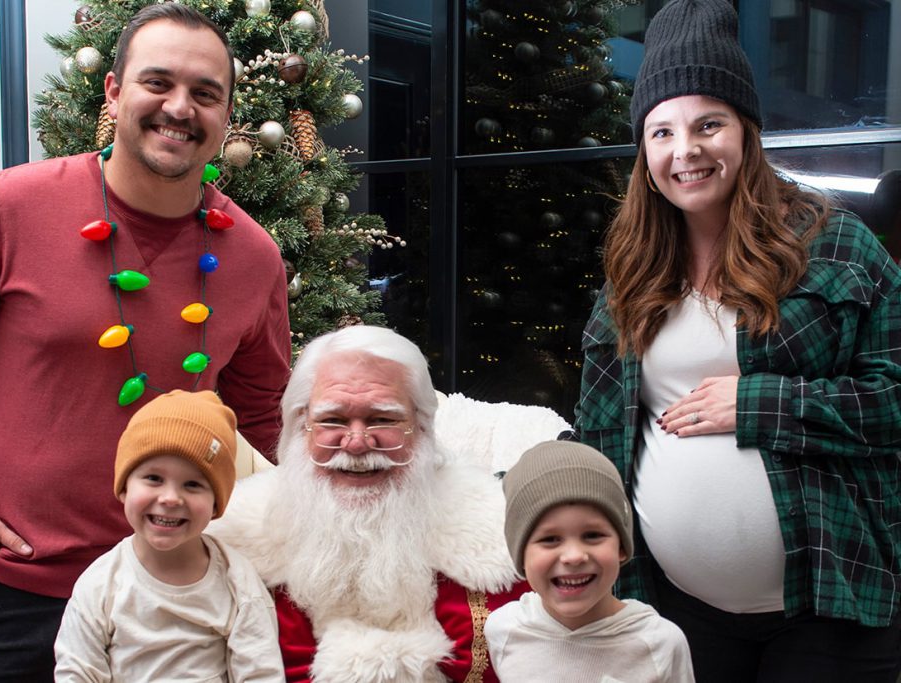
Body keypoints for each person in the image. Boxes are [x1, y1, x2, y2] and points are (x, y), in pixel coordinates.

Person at [0, 5, 290, 680]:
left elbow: (266, 414)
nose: (179, 108)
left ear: (225, 117)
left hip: (167, 596)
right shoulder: (6, 207)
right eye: (157, 82)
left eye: (205, 93)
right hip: (12, 592)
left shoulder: (252, 257)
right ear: (115, 91)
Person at [574, 0, 901, 680]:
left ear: (746, 130)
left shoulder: (836, 245)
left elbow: (895, 399)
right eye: (661, 132)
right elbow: (600, 427)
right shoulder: (631, 267)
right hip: (679, 610)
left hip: (831, 608)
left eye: (707, 124)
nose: (684, 151)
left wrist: (760, 403)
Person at [209, 324, 528, 682]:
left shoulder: (500, 539)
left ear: (422, 427)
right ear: (300, 427)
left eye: (382, 419)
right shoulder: (229, 546)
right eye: (332, 420)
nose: (357, 443)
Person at [54, 390, 284, 682]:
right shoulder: (102, 581)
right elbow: (77, 671)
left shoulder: (237, 580)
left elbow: (260, 672)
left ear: (217, 504)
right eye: (153, 478)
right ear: (124, 488)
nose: (171, 498)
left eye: (192, 484)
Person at [485, 440, 693, 682]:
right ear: (520, 554)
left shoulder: (661, 644)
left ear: (622, 547)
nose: (574, 556)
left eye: (593, 535)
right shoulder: (503, 629)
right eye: (550, 539)